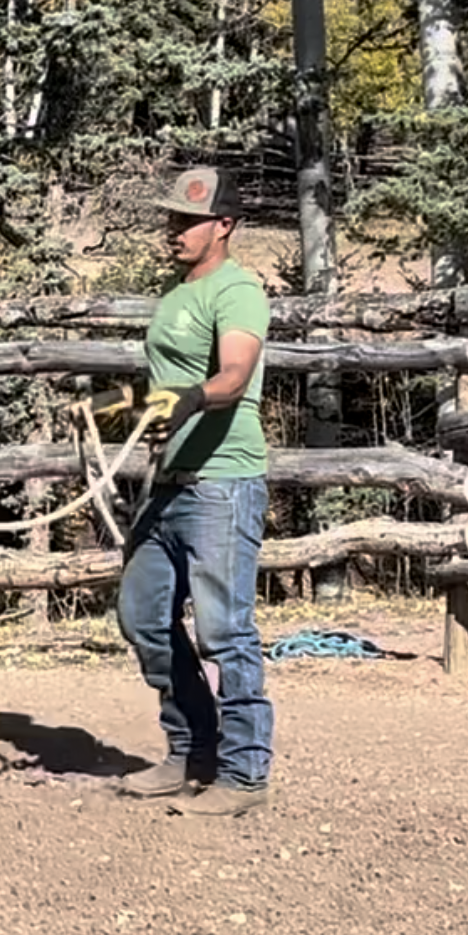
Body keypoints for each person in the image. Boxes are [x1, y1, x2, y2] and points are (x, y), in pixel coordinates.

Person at [114, 165, 274, 816]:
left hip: (222, 481)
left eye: (188, 220)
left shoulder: (239, 292)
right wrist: (111, 406)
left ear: (225, 225)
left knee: (224, 631)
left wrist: (190, 401)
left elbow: (232, 378)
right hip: (170, 481)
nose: (173, 230)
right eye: (171, 218)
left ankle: (243, 774)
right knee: (144, 614)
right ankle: (190, 749)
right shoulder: (175, 292)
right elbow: (167, 387)